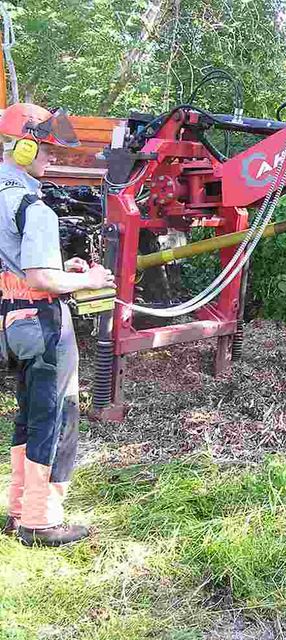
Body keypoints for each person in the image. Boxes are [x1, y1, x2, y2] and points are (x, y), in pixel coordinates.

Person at [0, 103, 114, 546]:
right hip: (43, 325)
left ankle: (16, 510)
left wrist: (59, 265)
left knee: (27, 416)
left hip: (9, 322)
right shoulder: (35, 207)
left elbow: (21, 266)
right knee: (57, 417)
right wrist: (87, 278)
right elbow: (42, 279)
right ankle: (41, 521)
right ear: (24, 149)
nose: (51, 160)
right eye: (46, 151)